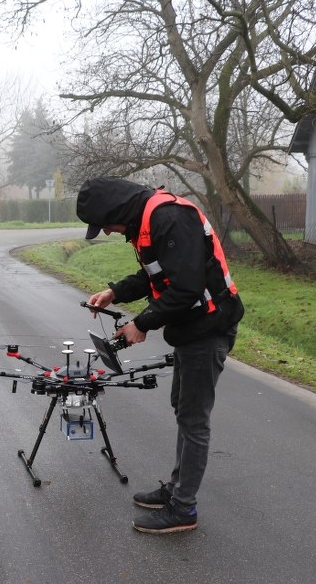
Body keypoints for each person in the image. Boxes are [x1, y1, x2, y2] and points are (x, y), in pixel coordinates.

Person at [76, 176, 244, 534]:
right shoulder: (150, 220)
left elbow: (185, 288)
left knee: (194, 420)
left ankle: (184, 508)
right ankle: (177, 490)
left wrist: (142, 323)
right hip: (191, 329)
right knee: (184, 411)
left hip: (209, 328)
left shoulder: (168, 218)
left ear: (116, 211)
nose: (106, 232)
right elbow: (158, 275)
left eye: (105, 224)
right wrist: (114, 292)